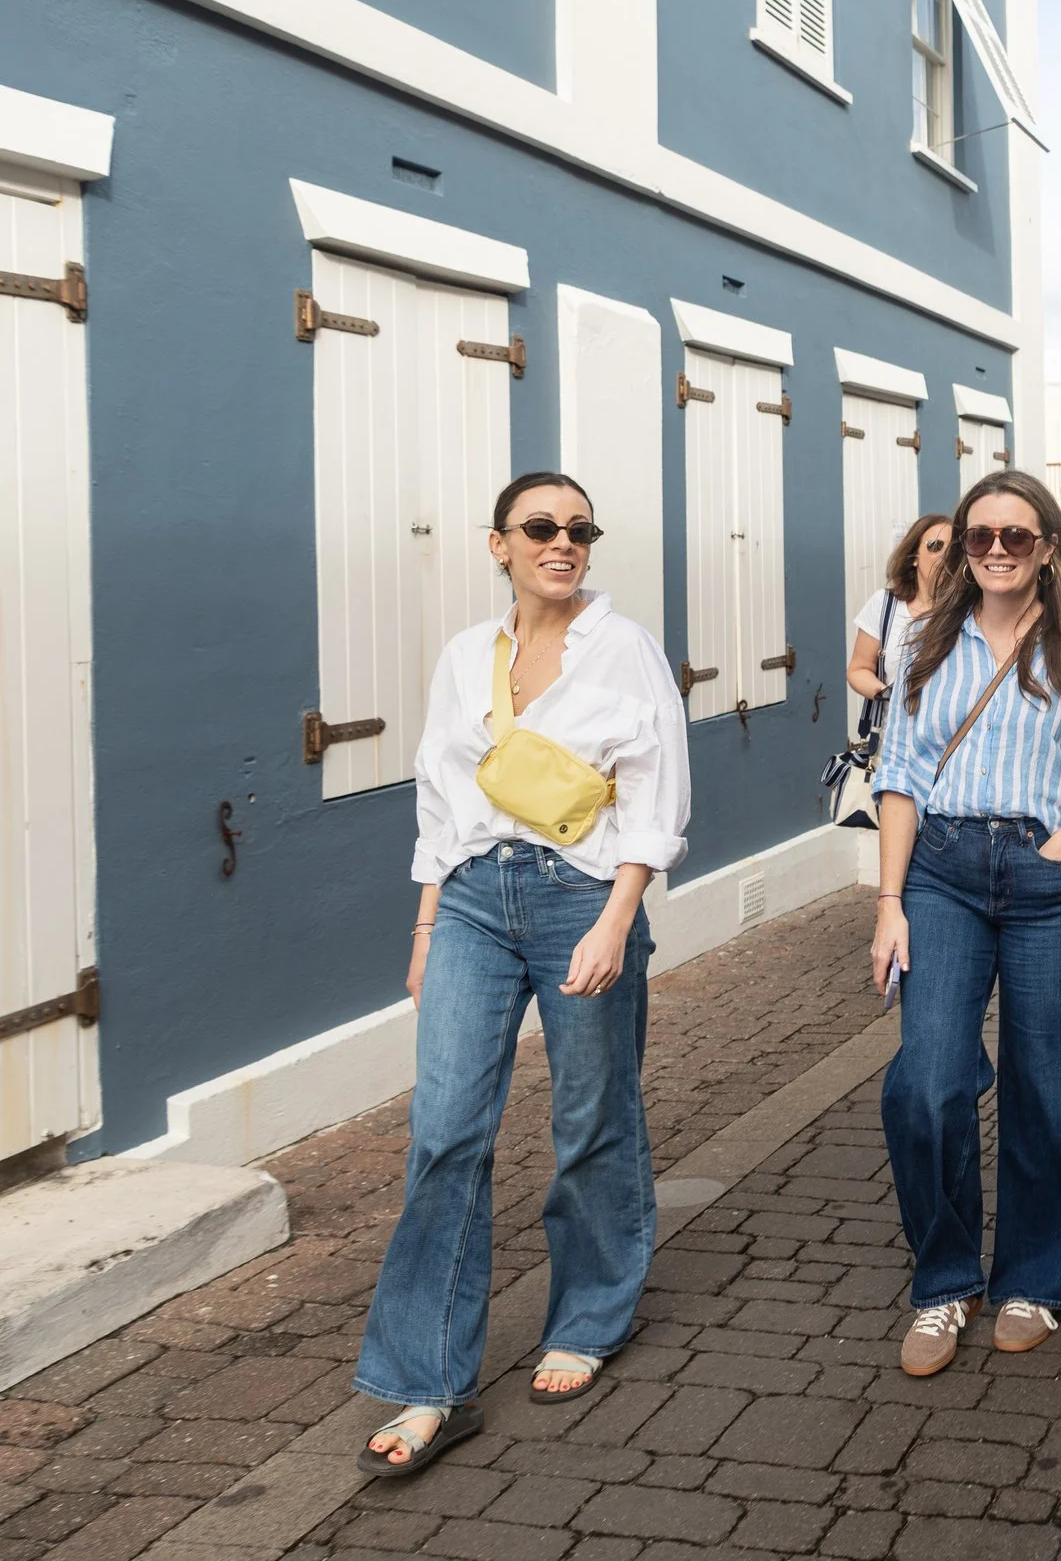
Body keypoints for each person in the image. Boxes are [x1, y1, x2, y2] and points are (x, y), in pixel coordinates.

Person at [356, 472, 690, 1476]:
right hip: (469, 898)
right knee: (445, 1128)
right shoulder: (467, 656)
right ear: (496, 543)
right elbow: (437, 790)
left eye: (580, 529)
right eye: (540, 528)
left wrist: (618, 917)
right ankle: (428, 1382)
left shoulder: (622, 648)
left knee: (591, 1113)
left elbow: (656, 788)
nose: (563, 543)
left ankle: (589, 1314)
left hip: (580, 894)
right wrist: (423, 924)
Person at [871, 472, 1061, 1377]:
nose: (995, 549)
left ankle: (1041, 1275)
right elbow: (900, 775)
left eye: (1016, 537)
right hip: (942, 874)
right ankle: (946, 1281)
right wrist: (888, 904)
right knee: (928, 1080)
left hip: (1048, 875)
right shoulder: (923, 639)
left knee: (1054, 1081)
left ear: (1049, 549)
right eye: (979, 535)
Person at [846, 513, 953, 706]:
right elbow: (858, 669)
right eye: (935, 546)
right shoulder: (884, 605)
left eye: (954, 550)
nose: (945, 556)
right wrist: (889, 695)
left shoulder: (971, 611)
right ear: (914, 558)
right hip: (895, 732)